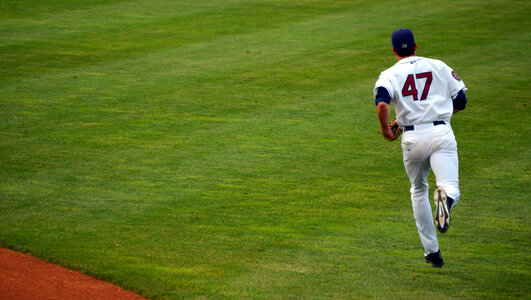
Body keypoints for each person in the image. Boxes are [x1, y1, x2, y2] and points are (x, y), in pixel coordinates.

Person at [373, 28, 467, 267]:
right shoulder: (438, 65)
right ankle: (445, 202)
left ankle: (432, 252)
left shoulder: (388, 74)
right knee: (449, 187)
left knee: (417, 190)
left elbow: (382, 103)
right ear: (416, 46)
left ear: (394, 51)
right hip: (441, 133)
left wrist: (386, 129)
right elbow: (461, 101)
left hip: (412, 138)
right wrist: (441, 115)